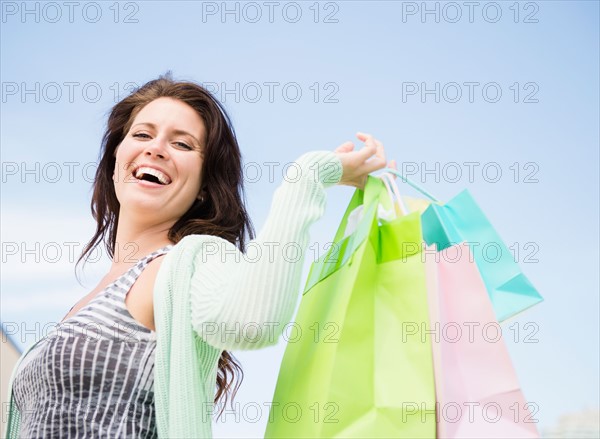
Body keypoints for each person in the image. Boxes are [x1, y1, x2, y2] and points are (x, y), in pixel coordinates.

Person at [3, 73, 393, 438]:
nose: (156, 149)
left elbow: (254, 322)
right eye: (142, 134)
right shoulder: (83, 304)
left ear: (204, 187)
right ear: (115, 163)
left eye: (182, 144)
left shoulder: (190, 261)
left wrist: (307, 176)